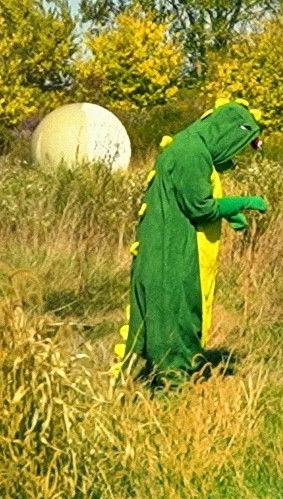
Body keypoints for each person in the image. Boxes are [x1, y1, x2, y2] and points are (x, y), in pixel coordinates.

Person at [114, 99, 271, 385]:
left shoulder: (193, 146)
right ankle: (169, 385)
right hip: (170, 249)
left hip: (173, 242)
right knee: (172, 311)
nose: (234, 156)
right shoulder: (191, 153)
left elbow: (192, 199)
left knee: (175, 308)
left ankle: (153, 381)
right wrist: (245, 202)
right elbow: (200, 207)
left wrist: (229, 213)